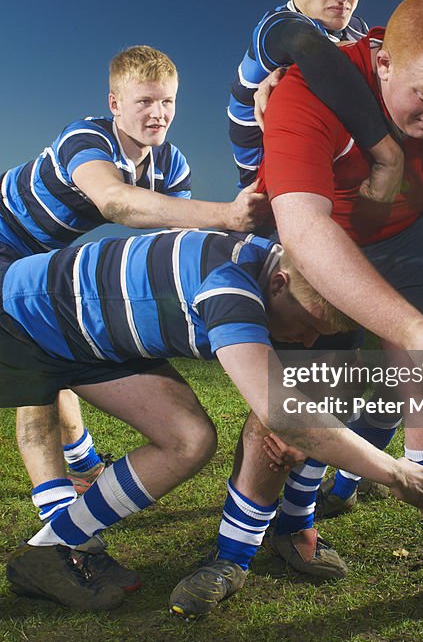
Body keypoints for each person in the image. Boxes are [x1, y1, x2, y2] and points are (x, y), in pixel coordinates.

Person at [175, 0, 423, 624]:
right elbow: (304, 229)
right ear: (383, 62)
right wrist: (415, 328)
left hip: (408, 240)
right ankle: (232, 554)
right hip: (312, 247)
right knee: (287, 411)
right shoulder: (306, 93)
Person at [1, 230, 423, 612]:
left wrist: (313, 421)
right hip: (27, 317)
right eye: (308, 325)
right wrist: (394, 470)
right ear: (277, 284)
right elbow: (282, 412)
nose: (308, 340)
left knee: (189, 439)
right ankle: (54, 549)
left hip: (96, 339)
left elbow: (326, 382)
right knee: (197, 436)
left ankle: (49, 550)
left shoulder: (314, 285)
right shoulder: (228, 284)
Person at [5, 45, 270, 563]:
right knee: (34, 368)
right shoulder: (87, 137)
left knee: (58, 346)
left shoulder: (171, 163)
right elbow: (116, 202)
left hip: (41, 259)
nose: (158, 114)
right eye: (145, 101)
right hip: (5, 251)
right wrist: (230, 215)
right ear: (115, 103)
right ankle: (56, 531)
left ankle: (83, 471)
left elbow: (174, 238)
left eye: (167, 102)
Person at [227, 0, 404, 204]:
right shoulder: (276, 27)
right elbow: (310, 48)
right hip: (273, 198)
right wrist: (389, 156)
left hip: (341, 178)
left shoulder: (356, 30)